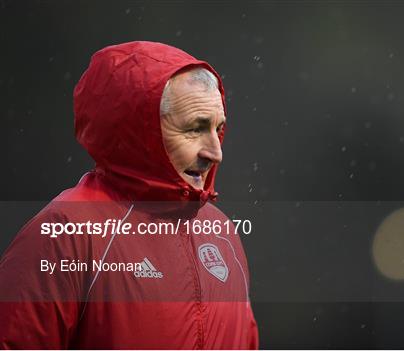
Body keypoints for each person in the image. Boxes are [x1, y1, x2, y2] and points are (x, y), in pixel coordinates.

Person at [0, 41, 259, 349]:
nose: (215, 152)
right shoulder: (65, 235)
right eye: (193, 128)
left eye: (218, 129)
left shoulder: (222, 234)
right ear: (137, 132)